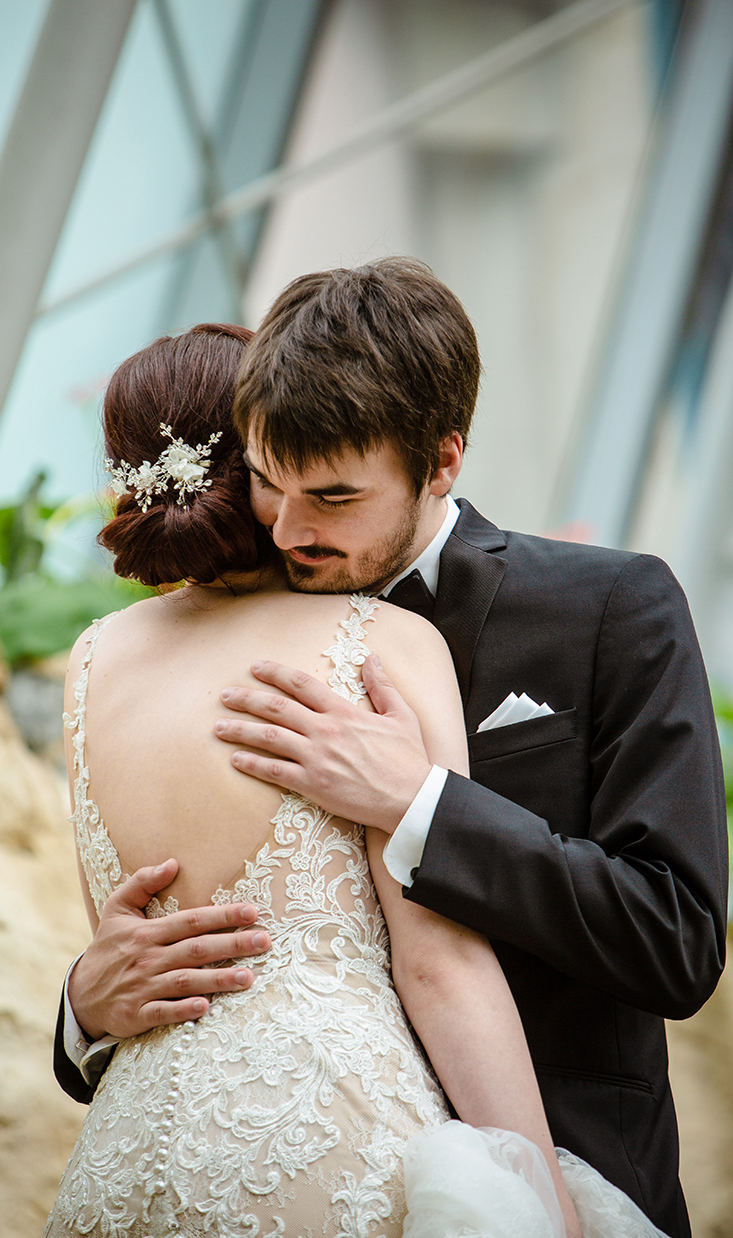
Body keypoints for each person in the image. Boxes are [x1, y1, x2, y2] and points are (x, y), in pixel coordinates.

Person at [53, 262, 728, 1238]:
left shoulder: (612, 609)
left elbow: (676, 936)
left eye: (332, 496)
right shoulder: (207, 619)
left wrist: (423, 804)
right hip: (274, 1158)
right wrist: (82, 1003)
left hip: (560, 1161)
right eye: (271, 485)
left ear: (442, 459)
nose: (291, 528)